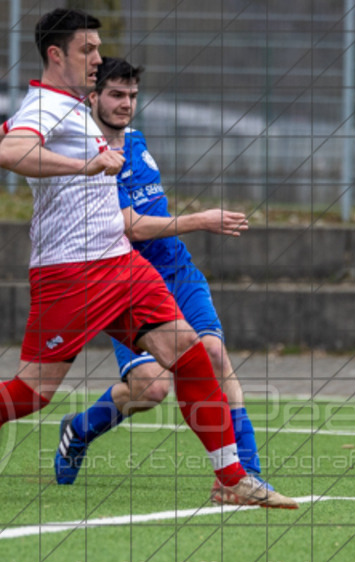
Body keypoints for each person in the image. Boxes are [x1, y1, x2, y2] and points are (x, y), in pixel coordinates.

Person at [0, 8, 296, 509]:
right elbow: (13, 152)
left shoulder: (69, 105)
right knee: (31, 393)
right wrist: (87, 164)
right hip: (71, 273)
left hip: (120, 263)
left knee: (192, 353)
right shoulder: (45, 107)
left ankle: (231, 479)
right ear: (57, 54)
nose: (97, 58)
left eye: (97, 48)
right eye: (87, 50)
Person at [50, 57, 275, 506]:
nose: (125, 104)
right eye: (115, 94)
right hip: (126, 282)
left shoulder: (136, 142)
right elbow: (128, 226)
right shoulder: (81, 160)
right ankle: (79, 429)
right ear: (92, 97)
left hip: (177, 273)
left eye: (132, 96)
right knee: (151, 388)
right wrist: (200, 219)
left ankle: (244, 474)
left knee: (213, 353)